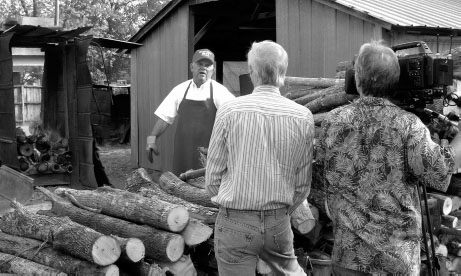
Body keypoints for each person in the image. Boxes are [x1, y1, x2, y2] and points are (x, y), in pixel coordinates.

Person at [318, 40, 461, 275]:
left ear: (357, 78)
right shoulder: (408, 125)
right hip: (395, 260)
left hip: (347, 257)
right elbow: (440, 172)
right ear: (395, 80)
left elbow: (325, 170)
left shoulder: (333, 121)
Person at [205, 40, 314, 276]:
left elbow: (212, 178)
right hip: (278, 222)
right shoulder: (303, 116)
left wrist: (232, 204)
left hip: (234, 221)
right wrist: (278, 211)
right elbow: (303, 185)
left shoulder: (229, 111)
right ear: (283, 74)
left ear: (252, 72)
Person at [146, 49, 235, 175]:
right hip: (182, 151)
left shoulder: (220, 92)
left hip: (209, 153)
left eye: (208, 65)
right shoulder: (180, 90)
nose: (203, 68)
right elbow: (165, 117)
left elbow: (235, 118)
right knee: (179, 185)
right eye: (200, 64)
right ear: (192, 67)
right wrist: (151, 139)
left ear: (213, 70)